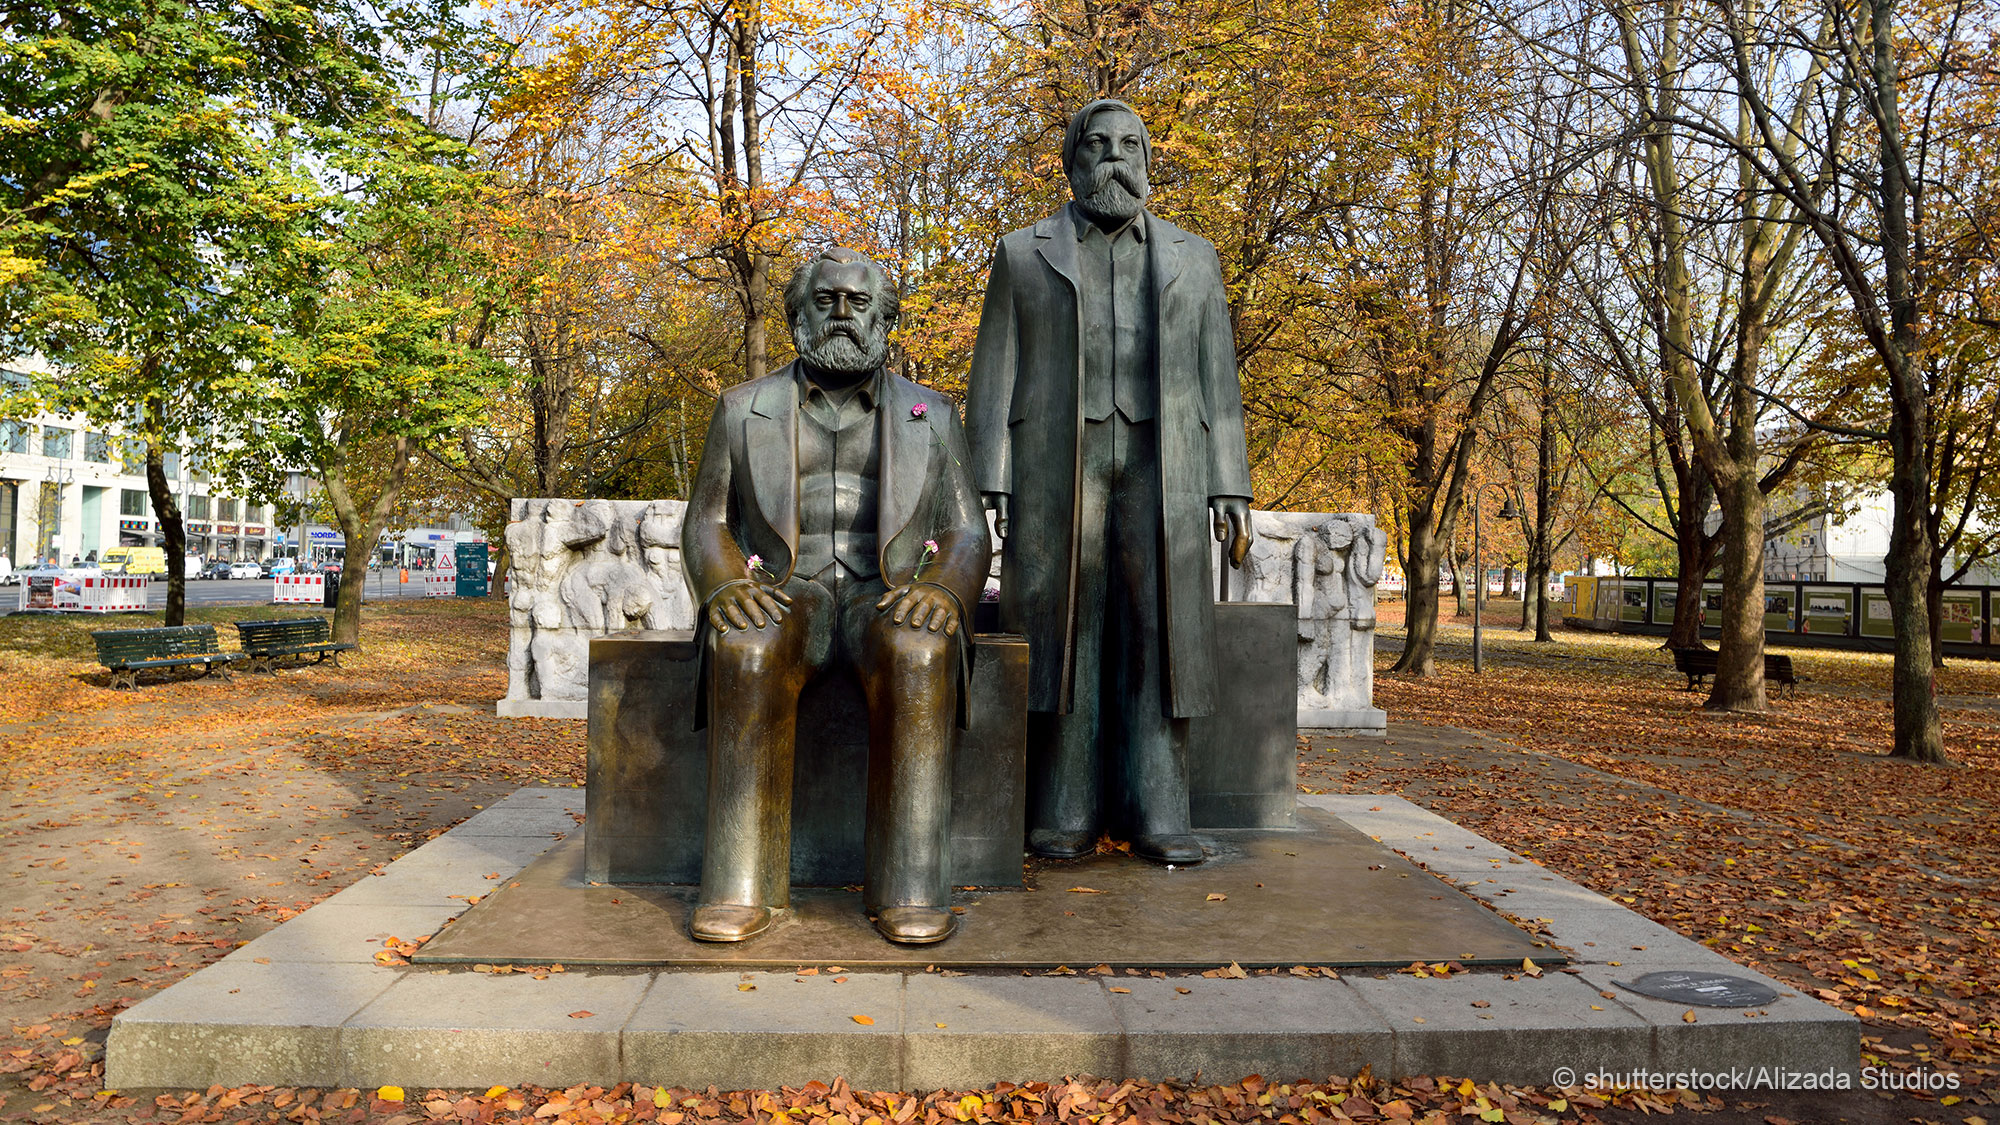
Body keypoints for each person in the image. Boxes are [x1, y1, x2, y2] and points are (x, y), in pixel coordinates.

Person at [966, 99, 1254, 867]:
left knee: (1161, 629)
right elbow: (995, 367)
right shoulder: (1021, 253)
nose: (1114, 159)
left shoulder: (1196, 256)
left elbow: (1218, 380)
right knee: (1067, 628)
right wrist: (988, 472)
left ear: (1149, 164)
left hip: (1169, 462)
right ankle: (1065, 809)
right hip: (1058, 460)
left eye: (1130, 146)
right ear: (1071, 160)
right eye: (1097, 145)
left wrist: (1231, 483)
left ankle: (1162, 807)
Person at [681, 247, 991, 945]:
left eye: (859, 302)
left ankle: (909, 885)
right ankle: (740, 884)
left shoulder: (932, 414)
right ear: (797, 315)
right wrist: (725, 581)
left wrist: (943, 590)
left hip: (886, 594)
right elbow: (705, 520)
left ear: (885, 317)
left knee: (918, 650)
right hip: (783, 591)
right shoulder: (741, 408)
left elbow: (967, 530)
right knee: (747, 647)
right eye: (826, 301)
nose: (843, 314)